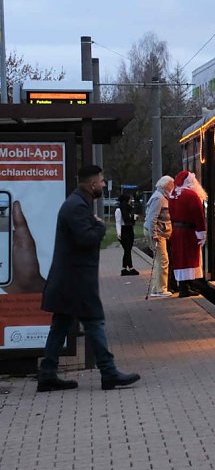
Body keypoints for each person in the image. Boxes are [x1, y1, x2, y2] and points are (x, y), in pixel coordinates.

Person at [38, 165, 141, 392]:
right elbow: (86, 239)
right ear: (91, 184)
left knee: (61, 325)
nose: (104, 185)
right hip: (76, 281)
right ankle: (108, 372)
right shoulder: (76, 207)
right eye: (102, 181)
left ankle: (47, 373)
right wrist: (99, 226)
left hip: (70, 279)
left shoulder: (76, 204)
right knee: (95, 322)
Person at [168, 170, 207, 298]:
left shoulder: (173, 194)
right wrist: (202, 233)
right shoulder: (192, 195)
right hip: (188, 231)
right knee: (189, 258)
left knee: (180, 258)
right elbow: (198, 216)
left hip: (177, 230)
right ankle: (186, 288)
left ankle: (183, 286)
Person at [143, 176, 174, 299]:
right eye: (172, 185)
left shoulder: (161, 196)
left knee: (160, 261)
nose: (173, 187)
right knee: (163, 260)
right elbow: (152, 218)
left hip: (160, 233)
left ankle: (157, 288)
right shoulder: (159, 198)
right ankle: (161, 289)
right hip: (158, 234)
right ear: (166, 186)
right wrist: (154, 234)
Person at [114, 194, 138, 276]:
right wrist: (118, 233)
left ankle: (124, 268)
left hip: (129, 229)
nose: (130, 201)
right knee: (127, 249)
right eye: (129, 200)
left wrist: (134, 218)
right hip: (123, 230)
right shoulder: (119, 210)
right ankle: (130, 268)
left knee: (128, 250)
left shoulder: (130, 210)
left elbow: (132, 221)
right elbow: (118, 222)